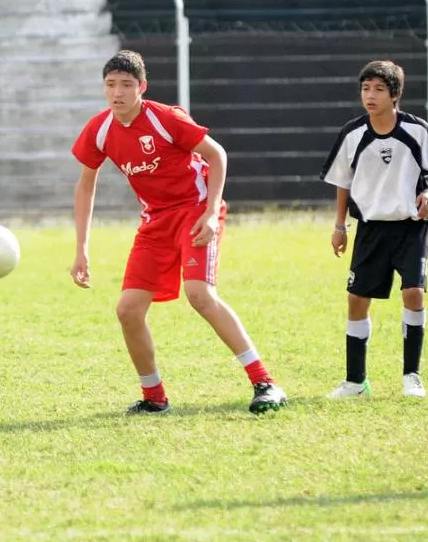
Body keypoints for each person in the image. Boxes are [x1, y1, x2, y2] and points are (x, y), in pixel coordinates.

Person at [70, 50, 287, 415]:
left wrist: (211, 213)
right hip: (155, 221)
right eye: (110, 85)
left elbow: (217, 155)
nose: (117, 92)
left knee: (200, 294)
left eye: (126, 85)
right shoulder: (100, 129)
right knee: (127, 310)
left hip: (195, 211)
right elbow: (85, 185)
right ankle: (154, 397)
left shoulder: (165, 118)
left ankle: (265, 382)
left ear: (142, 87)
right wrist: (81, 249)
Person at [321, 60, 428, 398]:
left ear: (394, 94)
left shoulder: (417, 131)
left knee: (413, 293)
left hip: (411, 227)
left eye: (379, 89)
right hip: (370, 229)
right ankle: (356, 381)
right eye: (366, 88)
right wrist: (340, 226)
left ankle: (412, 375)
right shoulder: (353, 134)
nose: (370, 95)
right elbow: (342, 182)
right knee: (357, 300)